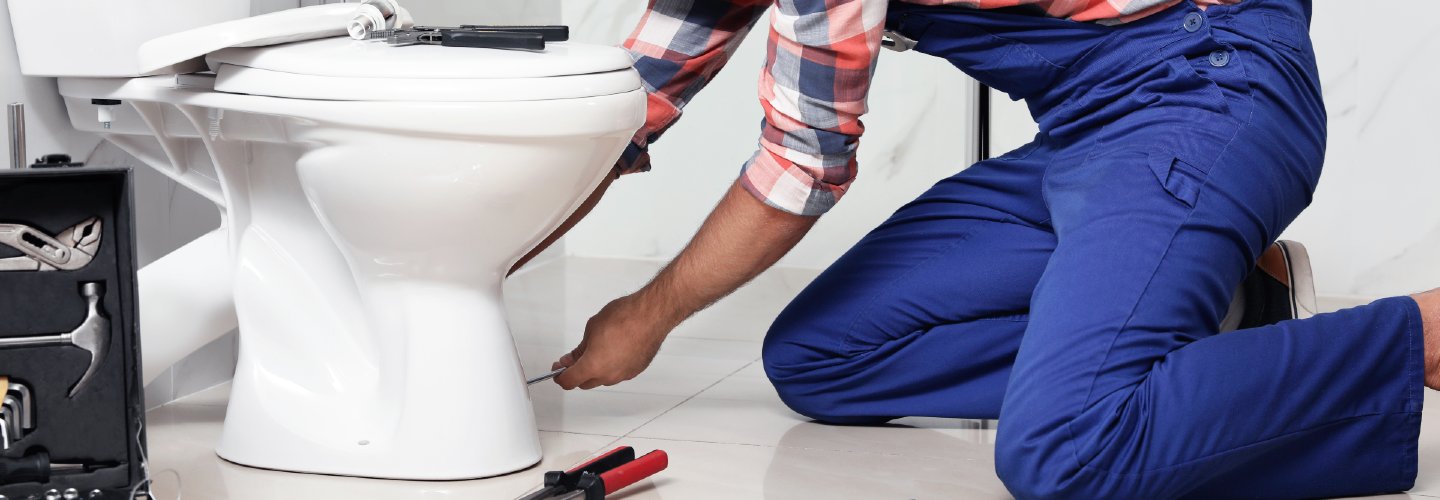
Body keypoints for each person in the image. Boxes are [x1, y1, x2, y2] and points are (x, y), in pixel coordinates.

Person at [523, 0, 1439, 497]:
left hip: (1207, 87)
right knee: (821, 358)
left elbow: (800, 166)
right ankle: (1243, 300)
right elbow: (613, 117)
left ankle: (1420, 335)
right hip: (1085, 124)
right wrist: (480, 262)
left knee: (1069, 448)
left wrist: (644, 317)